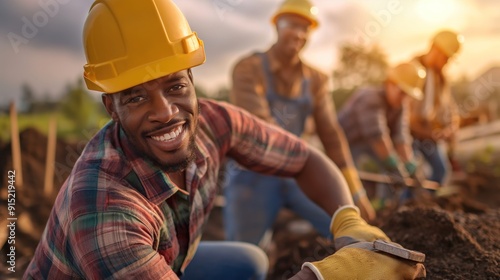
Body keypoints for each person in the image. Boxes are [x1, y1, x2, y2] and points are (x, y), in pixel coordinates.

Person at [23, 0, 425, 279]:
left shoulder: (215, 120)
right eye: (137, 96)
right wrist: (323, 275)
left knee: (247, 262)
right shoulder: (101, 209)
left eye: (174, 86)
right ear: (111, 107)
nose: (164, 111)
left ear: (192, 80)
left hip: (168, 258)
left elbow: (304, 157)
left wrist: (349, 218)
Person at [223, 0, 376, 248]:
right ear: (276, 26)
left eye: (305, 28)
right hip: (252, 176)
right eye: (291, 25)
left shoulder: (316, 80)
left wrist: (355, 192)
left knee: (344, 229)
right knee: (247, 257)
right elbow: (263, 127)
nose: (298, 33)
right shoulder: (248, 69)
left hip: (297, 172)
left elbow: (331, 134)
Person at [337, 62, 426, 203]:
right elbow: (377, 137)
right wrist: (395, 166)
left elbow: (401, 138)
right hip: (344, 142)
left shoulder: (400, 106)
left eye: (408, 95)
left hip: (367, 143)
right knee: (347, 178)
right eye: (402, 92)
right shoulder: (370, 98)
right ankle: (347, 206)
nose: (404, 98)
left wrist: (409, 166)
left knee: (394, 173)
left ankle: (389, 207)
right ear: (390, 84)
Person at [409, 30, 463, 186]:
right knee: (411, 176)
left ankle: (426, 205)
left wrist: (451, 127)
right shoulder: (412, 70)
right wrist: (430, 134)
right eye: (446, 57)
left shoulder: (440, 78)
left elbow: (450, 109)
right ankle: (404, 206)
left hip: (428, 135)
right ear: (436, 48)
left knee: (441, 171)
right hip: (408, 135)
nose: (447, 62)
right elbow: (405, 117)